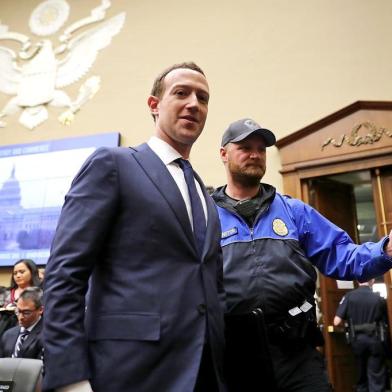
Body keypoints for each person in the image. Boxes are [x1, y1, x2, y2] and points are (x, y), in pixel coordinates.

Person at [43, 62, 225, 392]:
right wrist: (70, 377)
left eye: (203, 97)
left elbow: (212, 283)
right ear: (154, 105)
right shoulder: (113, 165)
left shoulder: (202, 190)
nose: (193, 104)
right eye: (181, 93)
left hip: (204, 373)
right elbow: (65, 273)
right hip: (129, 371)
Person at [211, 118, 392, 391]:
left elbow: (342, 255)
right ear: (224, 154)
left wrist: (384, 249)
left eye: (261, 149)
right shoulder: (205, 216)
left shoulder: (294, 212)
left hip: (295, 351)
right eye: (245, 147)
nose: (255, 154)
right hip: (235, 355)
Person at [334, 279, 389, 392]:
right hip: (375, 340)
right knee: (377, 377)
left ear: (358, 281)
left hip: (357, 341)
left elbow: (336, 321)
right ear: (372, 281)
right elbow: (386, 322)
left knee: (361, 377)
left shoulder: (349, 297)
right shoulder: (379, 298)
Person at [0, 259, 41, 337]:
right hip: (4, 334)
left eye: (22, 272)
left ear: (32, 272)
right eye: (15, 273)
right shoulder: (4, 293)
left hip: (32, 334)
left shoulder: (40, 293)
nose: (18, 276)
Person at [0, 286, 43, 359]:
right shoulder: (8, 335)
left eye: (26, 313)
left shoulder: (48, 336)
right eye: (18, 311)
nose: (20, 317)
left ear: (40, 310)